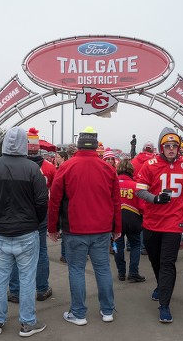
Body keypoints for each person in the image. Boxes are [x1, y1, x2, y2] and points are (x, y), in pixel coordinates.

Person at [48, 126, 122, 326]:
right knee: (103, 269)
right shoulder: (108, 168)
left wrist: (52, 227)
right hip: (101, 229)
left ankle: (79, 314)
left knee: (77, 270)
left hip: (75, 229)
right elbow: (116, 202)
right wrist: (117, 228)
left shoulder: (66, 166)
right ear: (95, 146)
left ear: (79, 144)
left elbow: (54, 200)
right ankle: (107, 311)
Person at [0, 127, 49, 336]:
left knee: (0, 278)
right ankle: (27, 323)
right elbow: (41, 201)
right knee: (27, 279)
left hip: (1, 232)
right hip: (27, 231)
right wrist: (35, 222)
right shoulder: (32, 169)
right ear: (24, 144)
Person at [136, 127, 183, 323]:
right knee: (156, 261)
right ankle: (160, 286)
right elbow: (139, 191)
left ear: (179, 147)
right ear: (161, 147)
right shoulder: (149, 164)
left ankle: (164, 304)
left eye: (175, 145)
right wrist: (155, 199)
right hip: (152, 221)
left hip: (173, 223)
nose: (171, 149)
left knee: (167, 263)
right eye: (167, 146)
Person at [8, 128, 56, 303]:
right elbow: (55, 193)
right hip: (42, 213)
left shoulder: (16, 166)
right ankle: (42, 288)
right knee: (41, 251)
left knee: (15, 252)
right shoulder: (49, 168)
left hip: (19, 214)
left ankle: (15, 291)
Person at [114, 159, 146, 282]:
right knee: (135, 246)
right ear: (131, 170)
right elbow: (143, 207)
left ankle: (121, 272)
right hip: (134, 221)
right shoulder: (136, 186)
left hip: (117, 222)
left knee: (117, 247)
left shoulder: (113, 184)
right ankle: (133, 273)